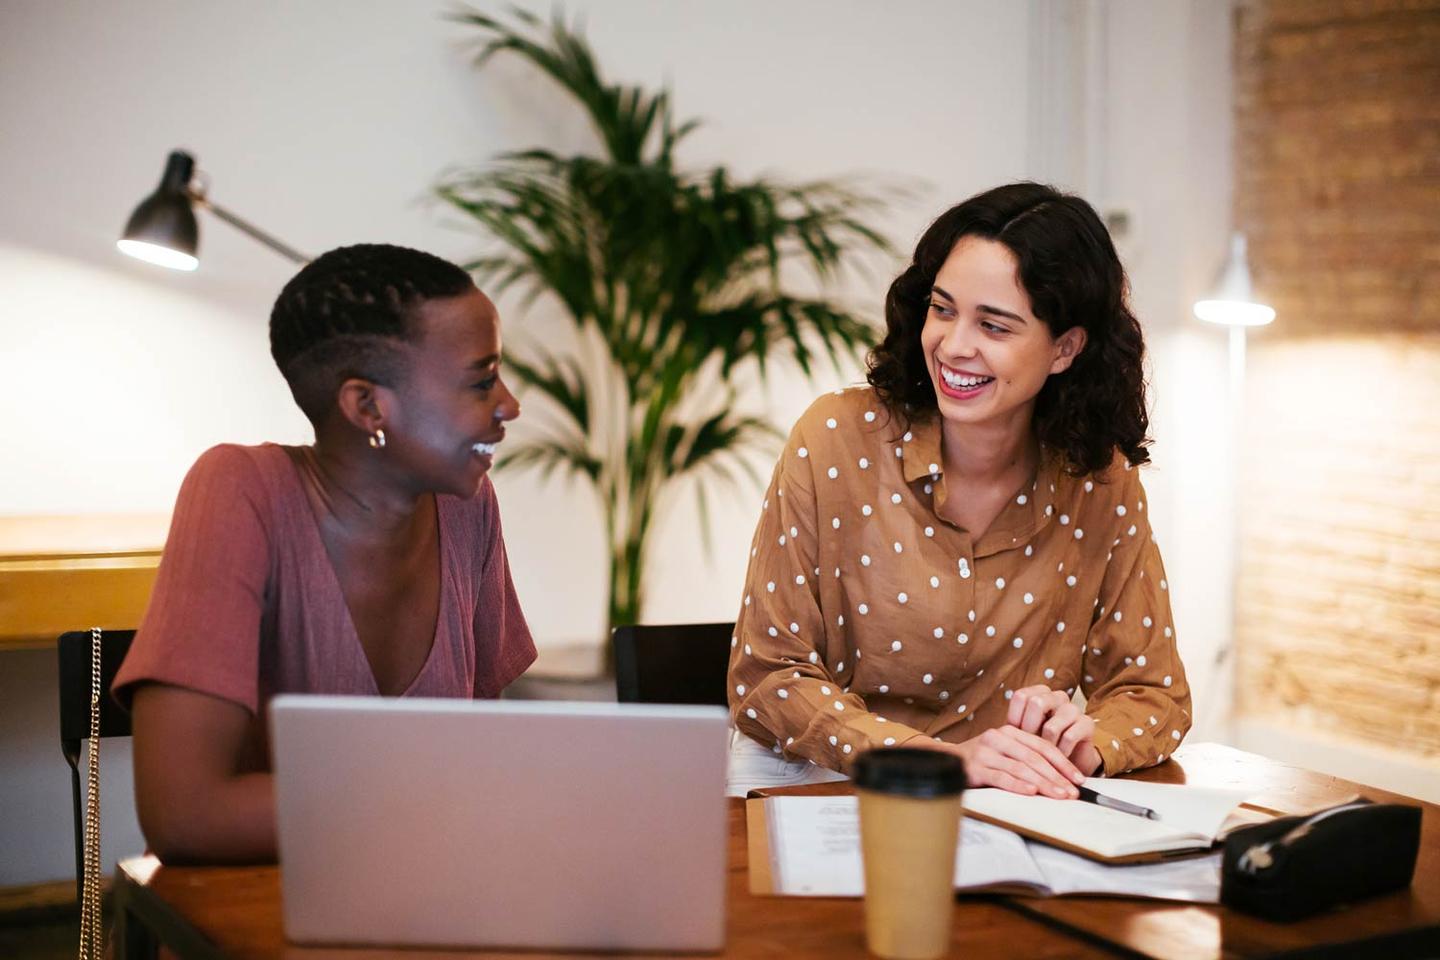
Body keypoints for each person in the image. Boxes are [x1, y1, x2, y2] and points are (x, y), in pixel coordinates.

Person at [726, 183, 1191, 798]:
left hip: (1006, 813)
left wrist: (1083, 741)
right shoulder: (835, 438)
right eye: (942, 310)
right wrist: (937, 760)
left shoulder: (1100, 482)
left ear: (1064, 349)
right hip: (831, 792)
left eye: (994, 326)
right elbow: (766, 679)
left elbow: (1153, 692)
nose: (952, 345)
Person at [114, 244, 535, 863]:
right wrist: (446, 806)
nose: (509, 405)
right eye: (481, 380)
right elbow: (183, 814)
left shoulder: (469, 507)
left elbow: (473, 758)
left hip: (427, 903)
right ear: (367, 406)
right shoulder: (240, 489)